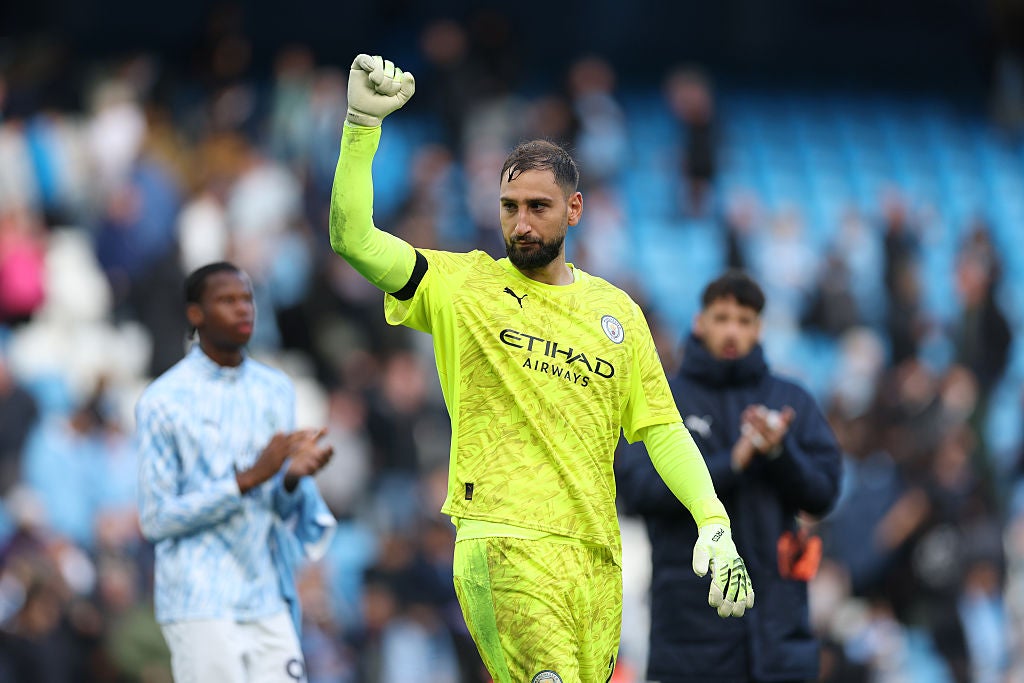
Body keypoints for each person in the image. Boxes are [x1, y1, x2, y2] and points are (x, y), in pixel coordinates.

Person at [329, 54, 754, 683]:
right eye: (508, 207)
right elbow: (353, 239)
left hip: (595, 560)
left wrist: (713, 520)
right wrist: (362, 125)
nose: (520, 224)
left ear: (575, 209)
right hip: (503, 543)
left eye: (537, 207)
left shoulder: (617, 313)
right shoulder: (462, 284)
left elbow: (662, 430)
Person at [616, 270, 842, 683]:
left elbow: (824, 492)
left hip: (779, 630)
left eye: (744, 320)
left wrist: (779, 452)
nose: (732, 331)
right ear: (699, 322)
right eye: (721, 318)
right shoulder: (663, 398)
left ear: (760, 327)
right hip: (691, 635)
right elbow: (636, 490)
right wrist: (731, 461)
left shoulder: (791, 399)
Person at [136, 261, 336, 683]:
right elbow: (156, 519)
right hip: (199, 602)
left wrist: (291, 477)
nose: (243, 309)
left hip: (266, 596)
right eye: (227, 301)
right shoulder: (163, 400)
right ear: (196, 314)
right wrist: (247, 478)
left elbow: (277, 505)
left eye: (246, 298)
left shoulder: (275, 389)